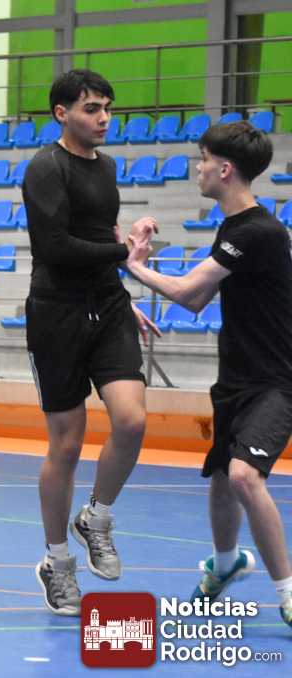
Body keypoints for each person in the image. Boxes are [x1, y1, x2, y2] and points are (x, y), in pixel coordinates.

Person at [125, 120, 292, 628]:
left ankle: (287, 592)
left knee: (243, 476)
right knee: (221, 476)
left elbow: (183, 290)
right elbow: (197, 301)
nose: (196, 168)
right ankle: (225, 565)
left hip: (276, 381)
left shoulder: (259, 231)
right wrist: (143, 266)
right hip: (236, 378)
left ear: (224, 169)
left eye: (202, 159)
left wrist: (134, 265)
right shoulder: (233, 229)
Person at [22, 69, 161, 616]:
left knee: (131, 420)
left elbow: (101, 237)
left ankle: (96, 518)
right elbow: (55, 246)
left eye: (107, 108)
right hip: (56, 313)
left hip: (108, 306)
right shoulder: (45, 167)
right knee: (67, 445)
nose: (104, 118)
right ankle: (57, 562)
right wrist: (125, 253)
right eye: (91, 109)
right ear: (62, 113)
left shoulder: (107, 167)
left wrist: (124, 283)